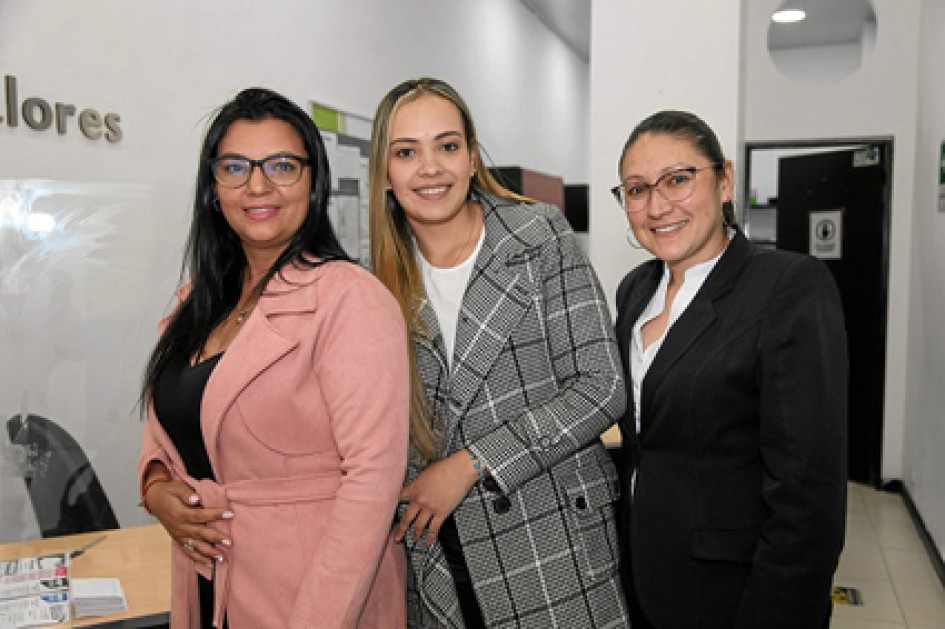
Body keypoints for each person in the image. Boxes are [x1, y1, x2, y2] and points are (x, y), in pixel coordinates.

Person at [137, 87, 409, 629]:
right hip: (209, 576)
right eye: (235, 167)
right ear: (214, 187)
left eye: (282, 165)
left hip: (313, 596)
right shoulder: (197, 301)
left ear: (313, 182)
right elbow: (171, 428)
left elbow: (372, 482)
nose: (257, 185)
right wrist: (157, 488)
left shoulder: (348, 297)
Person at [368, 77, 630, 628]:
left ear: (471, 157)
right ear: (386, 176)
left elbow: (600, 387)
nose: (431, 168)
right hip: (437, 557)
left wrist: (472, 464)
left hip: (551, 540)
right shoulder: (378, 283)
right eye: (407, 152)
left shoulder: (538, 236)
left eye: (447, 145)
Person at [612, 109, 848, 629]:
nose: (657, 205)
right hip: (642, 579)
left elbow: (808, 496)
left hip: (735, 594)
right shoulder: (635, 291)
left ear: (724, 180)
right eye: (636, 189)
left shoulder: (788, 288)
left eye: (677, 180)